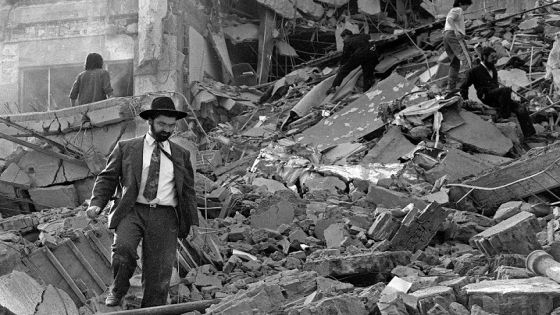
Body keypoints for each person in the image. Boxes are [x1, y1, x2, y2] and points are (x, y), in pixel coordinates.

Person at [86, 96, 199, 307]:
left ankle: (152, 309)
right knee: (123, 250)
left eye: (171, 125)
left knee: (159, 272)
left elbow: (188, 191)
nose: (167, 129)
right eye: (162, 124)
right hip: (132, 210)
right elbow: (108, 177)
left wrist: (193, 221)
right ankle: (118, 288)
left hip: (165, 216)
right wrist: (96, 204)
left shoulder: (181, 155)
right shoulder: (127, 148)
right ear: (150, 122)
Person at [460, 47, 536, 138]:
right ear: (484, 57)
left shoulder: (493, 70)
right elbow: (463, 87)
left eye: (496, 57)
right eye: (492, 57)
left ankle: (530, 135)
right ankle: (504, 117)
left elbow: (497, 89)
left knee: (521, 108)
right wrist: (466, 100)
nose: (495, 59)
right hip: (486, 96)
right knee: (506, 90)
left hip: (497, 96)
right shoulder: (474, 71)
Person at [328, 29, 378, 94]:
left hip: (359, 55)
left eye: (343, 37)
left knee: (344, 70)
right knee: (367, 72)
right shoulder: (362, 35)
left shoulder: (348, 41)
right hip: (371, 54)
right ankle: (366, 90)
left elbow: (345, 55)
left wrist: (341, 64)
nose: (343, 39)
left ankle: (333, 87)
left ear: (347, 35)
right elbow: (372, 39)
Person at [443, 0, 472, 91]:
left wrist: (463, 34)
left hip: (447, 35)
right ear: (460, 3)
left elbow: (450, 21)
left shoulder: (454, 10)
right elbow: (450, 19)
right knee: (466, 58)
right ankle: (472, 83)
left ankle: (450, 87)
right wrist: (456, 31)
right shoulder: (458, 9)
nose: (467, 7)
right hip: (453, 35)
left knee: (454, 63)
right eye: (466, 5)